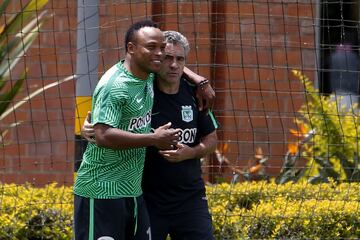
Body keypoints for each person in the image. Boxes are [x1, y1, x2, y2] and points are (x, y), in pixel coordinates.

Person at [82, 31, 218, 240]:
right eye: (167, 58)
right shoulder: (142, 87)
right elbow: (106, 130)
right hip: (147, 199)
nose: (174, 65)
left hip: (190, 199)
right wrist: (92, 130)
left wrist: (191, 153)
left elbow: (211, 140)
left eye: (180, 59)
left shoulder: (195, 93)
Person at [74, 20, 181, 240]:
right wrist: (154, 138)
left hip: (132, 192)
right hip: (101, 192)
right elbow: (103, 135)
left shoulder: (148, 73)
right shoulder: (115, 86)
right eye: (151, 47)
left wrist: (201, 81)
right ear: (131, 48)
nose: (160, 54)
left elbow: (176, 65)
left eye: (162, 48)